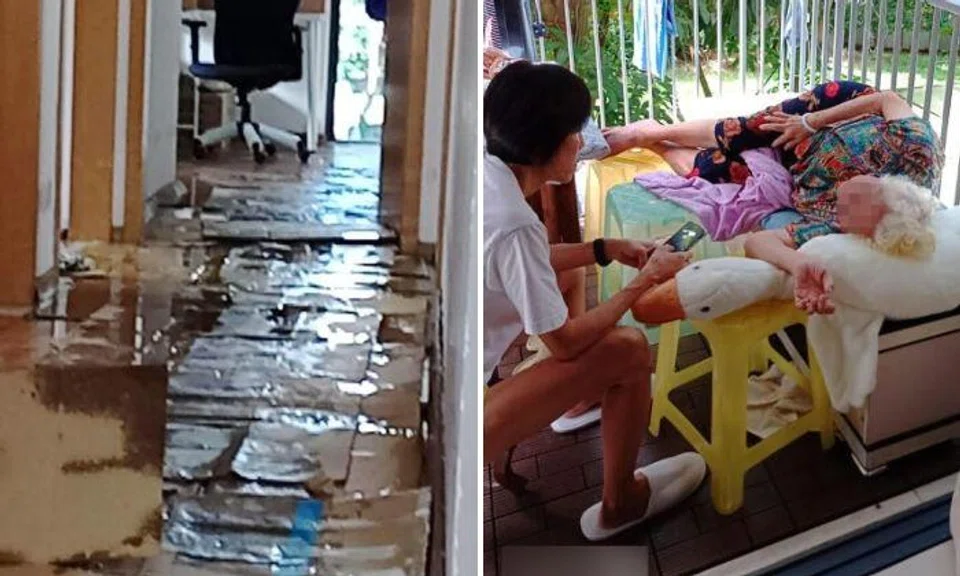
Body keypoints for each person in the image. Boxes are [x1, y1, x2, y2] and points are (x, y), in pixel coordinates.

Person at [483, 60, 707, 541]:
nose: (582, 142)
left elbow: (528, 261)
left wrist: (604, 248)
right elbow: (563, 342)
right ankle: (620, 503)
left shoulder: (484, 176)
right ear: (551, 146)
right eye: (576, 132)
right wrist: (643, 281)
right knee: (628, 349)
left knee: (571, 271)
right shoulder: (514, 223)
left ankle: (580, 399)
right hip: (453, 418)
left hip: (440, 375)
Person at [603, 81, 944, 315]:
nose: (840, 204)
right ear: (883, 185)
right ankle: (648, 132)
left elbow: (760, 242)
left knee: (708, 171)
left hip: (796, 163)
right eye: (853, 200)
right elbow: (887, 100)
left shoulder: (839, 223)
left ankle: (655, 143)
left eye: (845, 216)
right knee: (745, 131)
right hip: (835, 113)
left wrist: (798, 265)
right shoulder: (916, 148)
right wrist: (809, 122)